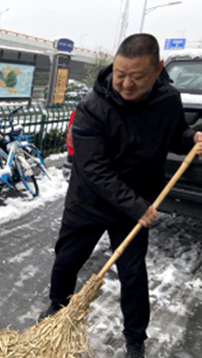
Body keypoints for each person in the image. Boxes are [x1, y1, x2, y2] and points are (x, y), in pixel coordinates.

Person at [38, 34, 202, 358]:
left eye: (136, 77)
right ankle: (57, 312)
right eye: (119, 73)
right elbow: (93, 169)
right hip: (90, 201)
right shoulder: (92, 108)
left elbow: (175, 136)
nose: (125, 83)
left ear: (156, 70)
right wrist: (137, 206)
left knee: (132, 274)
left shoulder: (167, 100)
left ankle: (135, 340)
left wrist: (191, 139)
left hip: (134, 205)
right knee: (67, 260)